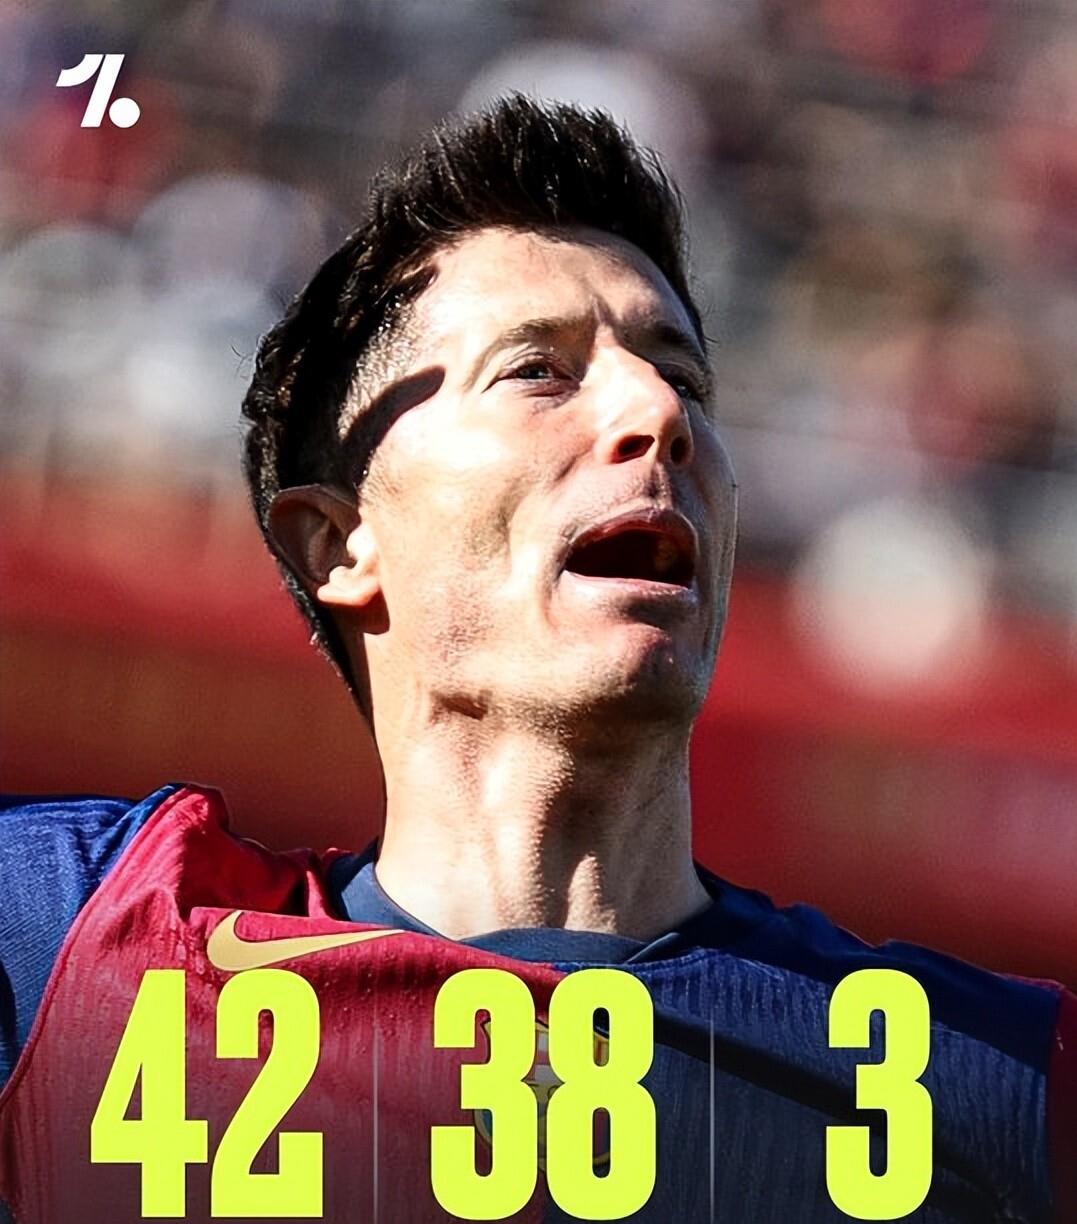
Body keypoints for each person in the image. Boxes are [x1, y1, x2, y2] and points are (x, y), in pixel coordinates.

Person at [0, 96, 1073, 1224]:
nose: (658, 410)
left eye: (683, 378)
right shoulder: (77, 938)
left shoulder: (1002, 1082)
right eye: (538, 372)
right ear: (343, 543)